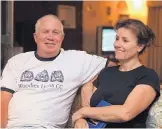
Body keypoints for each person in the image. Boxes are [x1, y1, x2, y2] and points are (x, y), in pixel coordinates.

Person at [0, 14, 114, 129]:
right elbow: (3, 100)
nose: (51, 37)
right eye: (45, 31)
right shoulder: (17, 61)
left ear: (62, 38)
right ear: (35, 37)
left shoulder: (77, 60)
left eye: (55, 32)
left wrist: (89, 86)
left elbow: (119, 67)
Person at [72, 19, 160, 128]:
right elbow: (90, 100)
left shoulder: (148, 76)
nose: (117, 44)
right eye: (117, 39)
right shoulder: (107, 72)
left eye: (125, 40)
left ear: (140, 46)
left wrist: (83, 112)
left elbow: (125, 113)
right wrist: (80, 120)